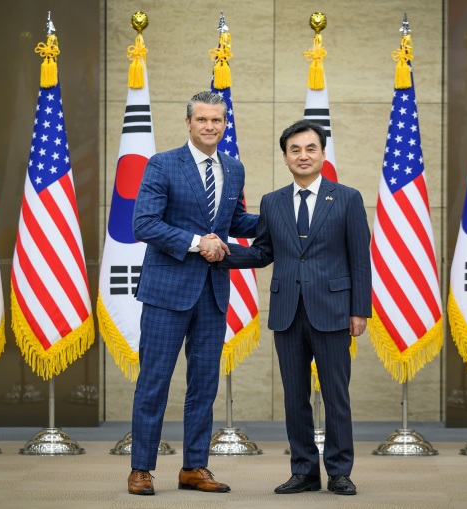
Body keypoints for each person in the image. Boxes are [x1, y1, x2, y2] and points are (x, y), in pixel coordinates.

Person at [212, 120, 371, 496]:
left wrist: (359, 310)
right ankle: (304, 471)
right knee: (295, 397)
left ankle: (339, 471)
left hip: (333, 310)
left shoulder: (347, 198)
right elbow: (263, 252)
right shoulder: (272, 202)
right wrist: (220, 253)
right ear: (285, 157)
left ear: (323, 153)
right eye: (294, 150)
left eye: (310, 148)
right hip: (286, 312)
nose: (303, 156)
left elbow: (359, 259)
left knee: (336, 396)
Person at [128, 91, 258, 496]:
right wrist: (197, 242)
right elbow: (144, 223)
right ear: (188, 123)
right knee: (154, 381)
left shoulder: (233, 168)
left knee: (204, 384)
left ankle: (194, 467)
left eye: (216, 120)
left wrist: (282, 213)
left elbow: (235, 220)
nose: (209, 126)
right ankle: (141, 469)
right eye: (202, 119)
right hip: (166, 291)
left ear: (225, 124)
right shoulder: (162, 164)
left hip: (213, 292)